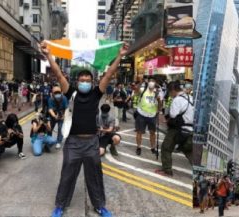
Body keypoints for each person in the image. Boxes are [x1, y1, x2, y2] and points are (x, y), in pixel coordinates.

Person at [41, 40, 129, 217]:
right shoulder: (71, 92)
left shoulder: (96, 94)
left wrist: (119, 56)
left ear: (92, 81)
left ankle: (99, 206)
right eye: (82, 80)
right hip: (73, 143)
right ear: (77, 81)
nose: (85, 83)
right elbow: (58, 74)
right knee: (67, 175)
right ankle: (60, 206)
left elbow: (110, 73)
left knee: (95, 176)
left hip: (91, 142)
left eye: (88, 80)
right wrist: (48, 55)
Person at [156, 81, 193, 176]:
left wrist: (167, 119)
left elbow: (173, 114)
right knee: (188, 150)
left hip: (178, 129)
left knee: (166, 148)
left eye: (169, 92)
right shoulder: (190, 98)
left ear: (173, 90)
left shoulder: (177, 100)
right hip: (190, 130)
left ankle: (167, 170)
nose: (169, 94)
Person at [134, 77, 162, 156]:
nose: (151, 83)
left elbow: (160, 106)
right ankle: (138, 147)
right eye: (150, 81)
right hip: (141, 114)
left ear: (155, 83)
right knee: (139, 132)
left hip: (152, 115)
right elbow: (136, 91)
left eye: (153, 81)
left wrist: (159, 100)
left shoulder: (158, 92)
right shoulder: (143, 89)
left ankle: (153, 147)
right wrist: (140, 82)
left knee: (152, 132)